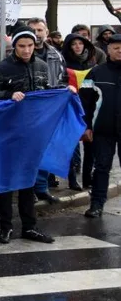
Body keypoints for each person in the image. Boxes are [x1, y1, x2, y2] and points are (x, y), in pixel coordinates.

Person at [0, 24, 59, 244]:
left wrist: (64, 92)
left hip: (33, 132)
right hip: (8, 132)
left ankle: (29, 227)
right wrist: (9, 94)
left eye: (30, 46)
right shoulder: (2, 68)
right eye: (22, 46)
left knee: (28, 180)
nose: (26, 50)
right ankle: (5, 227)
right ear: (14, 46)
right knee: (7, 182)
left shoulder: (42, 66)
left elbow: (48, 91)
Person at [81, 33, 121, 218]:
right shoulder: (96, 73)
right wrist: (86, 126)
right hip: (103, 130)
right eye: (116, 48)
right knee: (102, 167)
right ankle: (96, 204)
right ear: (108, 50)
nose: (120, 51)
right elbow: (84, 102)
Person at [28, 17, 68, 195]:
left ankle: (42, 187)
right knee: (29, 151)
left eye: (40, 30)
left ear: (46, 32)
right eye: (33, 30)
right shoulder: (22, 53)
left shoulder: (56, 55)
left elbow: (63, 79)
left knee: (47, 148)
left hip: (50, 109)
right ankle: (28, 189)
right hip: (28, 109)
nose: (37, 34)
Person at [63, 32, 97, 191]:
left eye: (80, 43)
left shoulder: (92, 63)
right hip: (70, 108)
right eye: (73, 44)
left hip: (89, 107)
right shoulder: (63, 63)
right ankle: (72, 179)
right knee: (71, 146)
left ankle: (87, 178)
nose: (77, 46)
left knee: (90, 144)